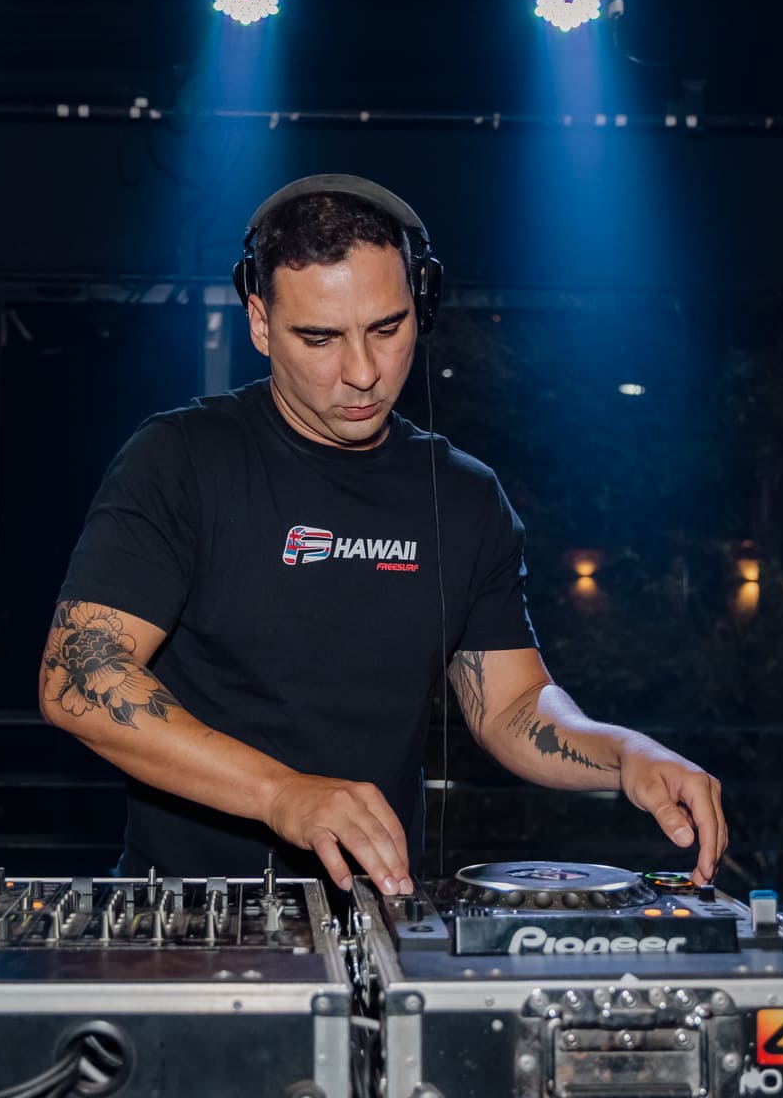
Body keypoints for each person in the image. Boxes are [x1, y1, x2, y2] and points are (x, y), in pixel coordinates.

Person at [38, 174, 726, 893]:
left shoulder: (465, 497)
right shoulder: (180, 459)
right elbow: (77, 675)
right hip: (186, 917)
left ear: (420, 307)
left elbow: (512, 706)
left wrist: (625, 753)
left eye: (386, 329)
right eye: (320, 338)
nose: (363, 372)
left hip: (380, 914)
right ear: (260, 323)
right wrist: (281, 794)